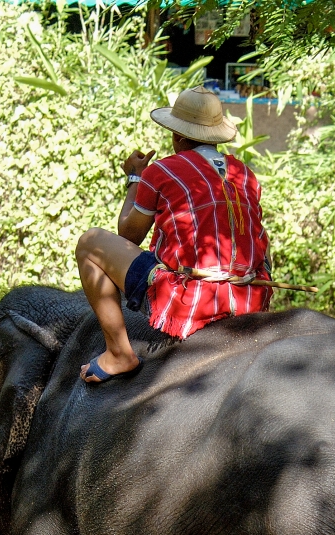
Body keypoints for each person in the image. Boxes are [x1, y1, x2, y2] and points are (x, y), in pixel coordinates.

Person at [76, 85, 273, 383]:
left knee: (89, 243)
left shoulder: (162, 171)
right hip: (249, 296)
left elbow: (128, 235)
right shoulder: (245, 174)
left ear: (178, 136)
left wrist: (135, 177)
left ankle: (118, 354)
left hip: (191, 298)